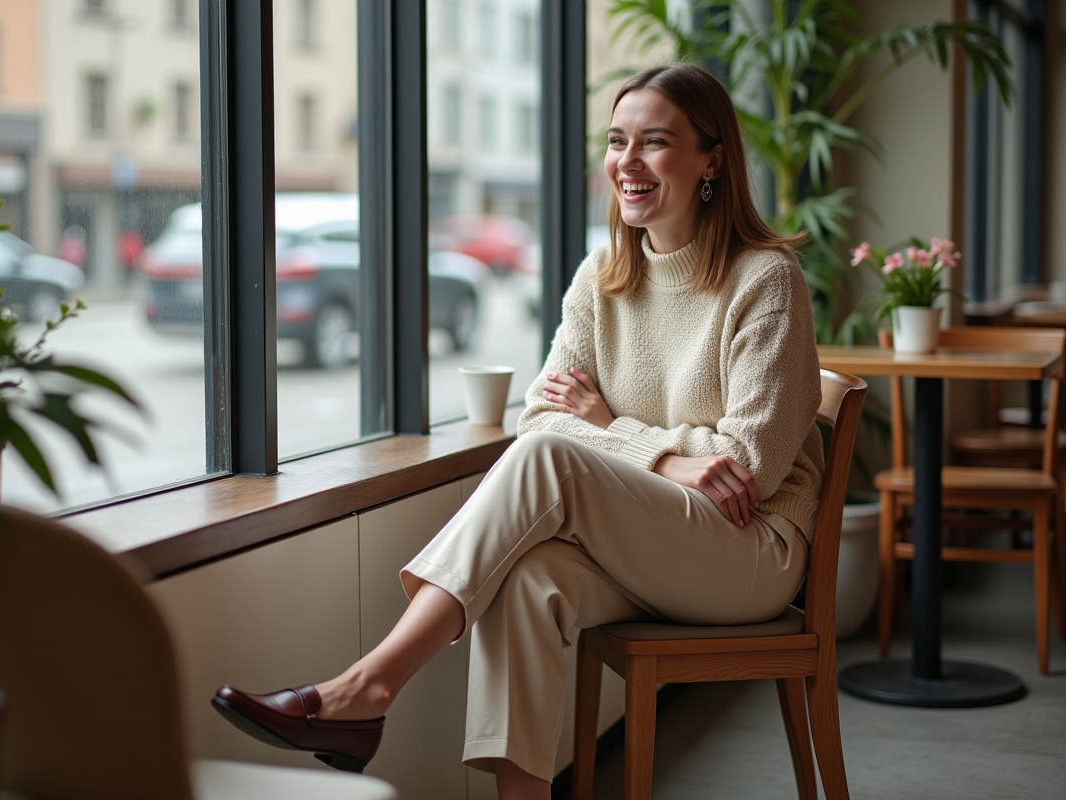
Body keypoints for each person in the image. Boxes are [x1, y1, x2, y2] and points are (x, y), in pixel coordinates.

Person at [212, 62, 823, 800]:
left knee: (549, 462)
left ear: (712, 160)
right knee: (528, 580)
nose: (627, 162)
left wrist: (617, 432)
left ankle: (366, 688)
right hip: (657, 545)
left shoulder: (765, 279)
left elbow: (747, 466)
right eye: (617, 141)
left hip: (749, 549)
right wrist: (666, 458)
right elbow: (542, 414)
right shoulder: (601, 278)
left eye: (655, 142)